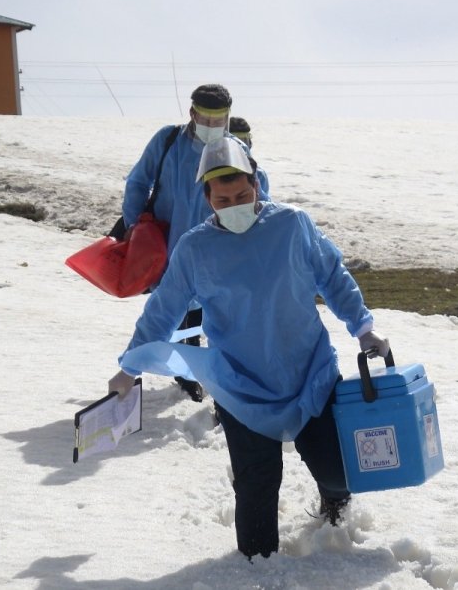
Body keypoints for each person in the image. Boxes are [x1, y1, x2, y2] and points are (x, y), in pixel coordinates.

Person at [108, 137, 391, 560]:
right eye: (223, 199)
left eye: (242, 194)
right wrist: (129, 366)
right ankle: (257, 569)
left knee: (336, 470)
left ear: (256, 184)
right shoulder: (195, 249)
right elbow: (163, 309)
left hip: (308, 372)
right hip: (241, 385)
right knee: (257, 485)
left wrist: (364, 328)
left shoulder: (292, 225)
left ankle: (335, 511)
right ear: (207, 198)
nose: (234, 203)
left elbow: (332, 275)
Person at [120, 84, 268, 402]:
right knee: (170, 311)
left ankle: (220, 381)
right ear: (192, 113)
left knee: (216, 314)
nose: (214, 127)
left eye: (221, 120)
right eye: (207, 119)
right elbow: (138, 181)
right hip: (166, 247)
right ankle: (182, 369)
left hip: (217, 251)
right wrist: (135, 228)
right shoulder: (167, 141)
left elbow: (258, 192)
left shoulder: (234, 150)